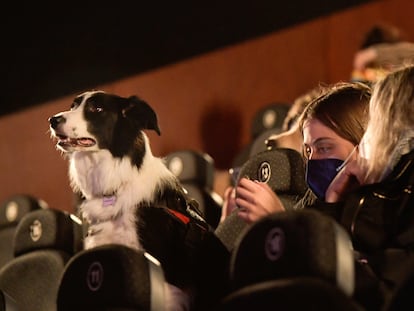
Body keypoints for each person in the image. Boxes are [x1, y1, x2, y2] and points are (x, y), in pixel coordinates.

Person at [320, 64, 414, 310]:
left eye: (373, 122)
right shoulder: (385, 190)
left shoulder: (399, 190)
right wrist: (334, 201)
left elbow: (386, 288)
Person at [220, 81, 371, 224]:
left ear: (364, 146)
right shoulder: (311, 204)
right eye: (307, 150)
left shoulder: (380, 212)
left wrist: (279, 220)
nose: (312, 160)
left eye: (324, 148)